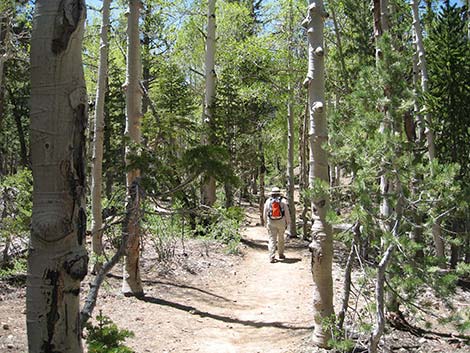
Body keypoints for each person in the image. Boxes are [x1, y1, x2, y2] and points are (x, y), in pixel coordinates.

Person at [263, 187, 290, 263]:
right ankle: (281, 254)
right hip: (281, 222)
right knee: (281, 238)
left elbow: (265, 213)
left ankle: (271, 256)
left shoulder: (268, 201)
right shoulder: (283, 201)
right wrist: (288, 222)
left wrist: (265, 222)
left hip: (271, 222)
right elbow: (287, 213)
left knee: (272, 239)